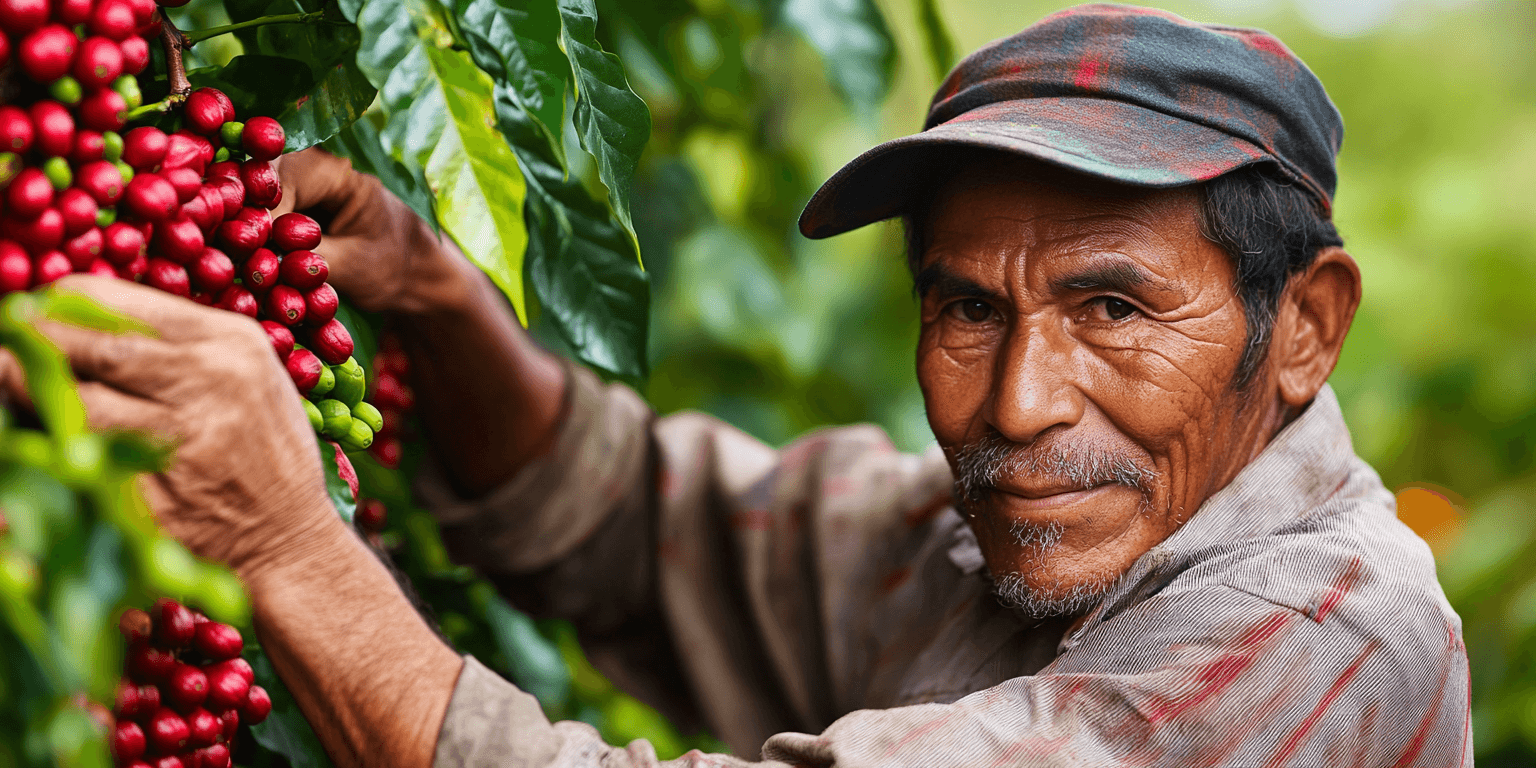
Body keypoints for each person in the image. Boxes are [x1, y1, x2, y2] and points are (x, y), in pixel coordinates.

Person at [0, 4, 1470, 767]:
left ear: (1306, 327)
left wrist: (285, 549)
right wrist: (445, 310)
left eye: (1113, 306)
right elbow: (647, 524)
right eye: (966, 305)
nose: (1020, 402)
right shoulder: (1019, 546)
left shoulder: (1319, 642)